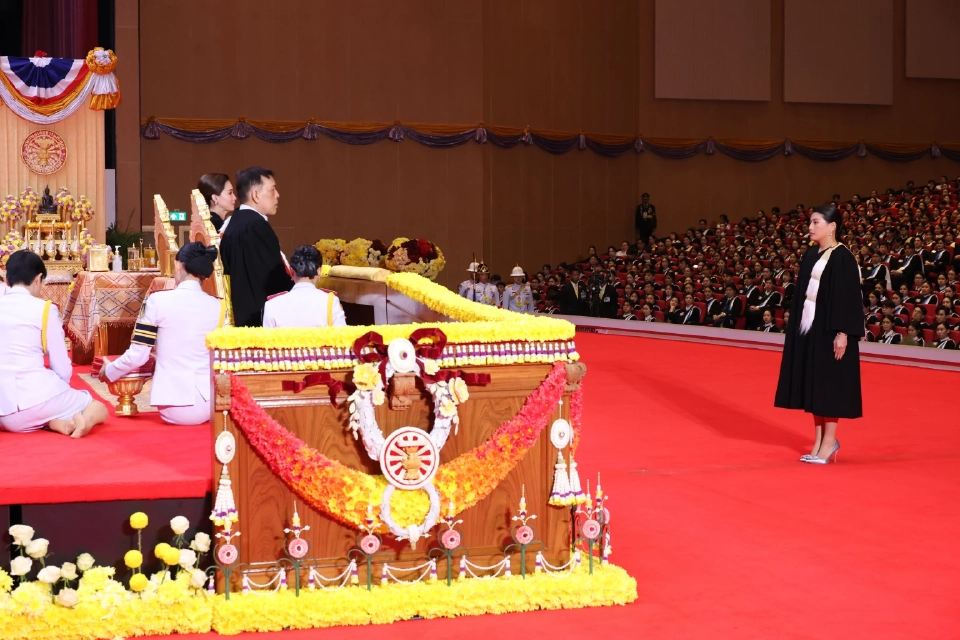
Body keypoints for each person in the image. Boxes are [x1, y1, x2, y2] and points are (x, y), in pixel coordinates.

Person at [775, 204, 864, 464]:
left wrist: (843, 333)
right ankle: (817, 442)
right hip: (812, 331)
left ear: (832, 226)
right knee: (814, 386)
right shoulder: (812, 255)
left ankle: (829, 443)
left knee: (829, 388)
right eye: (810, 223)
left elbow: (849, 299)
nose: (810, 227)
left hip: (832, 333)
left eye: (815, 222)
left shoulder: (843, 257)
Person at [102, 243, 223, 426]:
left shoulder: (157, 300)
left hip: (176, 406)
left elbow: (138, 356)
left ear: (178, 266)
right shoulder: (218, 306)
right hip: (213, 404)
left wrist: (109, 370)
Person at [0, 251, 108, 437]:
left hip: (4, 412)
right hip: (36, 401)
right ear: (38, 278)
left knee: (44, 408)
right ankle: (83, 422)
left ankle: (54, 422)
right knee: (96, 406)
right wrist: (59, 390)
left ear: (7, 280)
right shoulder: (44, 309)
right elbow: (62, 369)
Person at [220, 167, 294, 327]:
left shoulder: (236, 221)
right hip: (256, 320)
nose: (277, 195)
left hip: (242, 312)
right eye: (272, 190)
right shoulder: (255, 227)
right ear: (255, 195)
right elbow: (272, 279)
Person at [263, 245, 347, 328]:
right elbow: (341, 338)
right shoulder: (331, 302)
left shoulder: (272, 305)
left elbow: (266, 341)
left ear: (291, 272)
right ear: (319, 271)